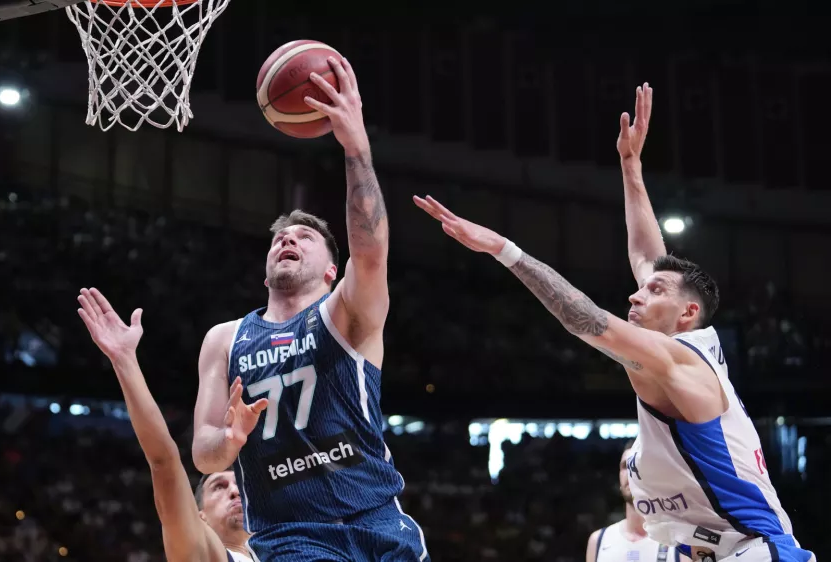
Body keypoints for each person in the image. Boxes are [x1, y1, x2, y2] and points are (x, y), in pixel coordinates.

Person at [413, 83, 814, 562]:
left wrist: (505, 250)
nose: (635, 291)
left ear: (688, 314)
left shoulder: (677, 361)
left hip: (756, 552)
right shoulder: (681, 345)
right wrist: (631, 167)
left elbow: (584, 320)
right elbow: (647, 256)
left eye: (654, 291)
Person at [190, 56, 428, 562]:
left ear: (330, 270)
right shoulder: (225, 338)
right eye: (279, 238)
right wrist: (228, 443)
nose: (286, 240)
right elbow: (203, 451)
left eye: (303, 236)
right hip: (292, 535)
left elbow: (369, 250)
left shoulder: (345, 314)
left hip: (380, 521)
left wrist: (356, 147)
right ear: (265, 268)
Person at [76, 287, 257, 562]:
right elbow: (164, 462)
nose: (235, 490)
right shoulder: (200, 552)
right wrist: (125, 361)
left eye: (239, 487)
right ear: (200, 517)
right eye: (219, 487)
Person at [587, 440, 690, 562]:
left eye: (637, 464)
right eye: (625, 466)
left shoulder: (680, 541)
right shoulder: (599, 540)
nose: (631, 472)